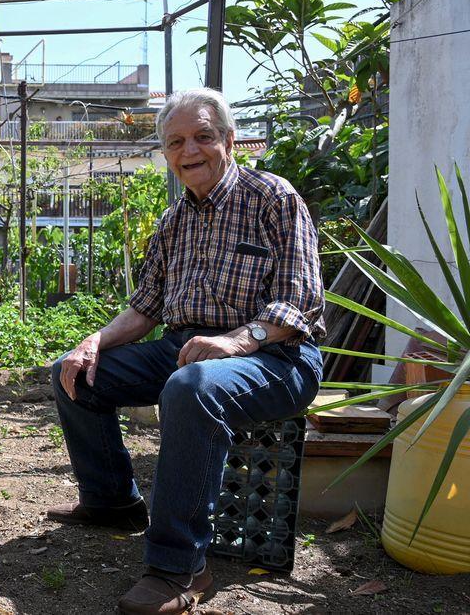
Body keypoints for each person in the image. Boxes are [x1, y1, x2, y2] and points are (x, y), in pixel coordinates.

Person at [47, 88, 324, 615]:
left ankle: (180, 566)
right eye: (175, 142)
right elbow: (144, 311)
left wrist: (238, 340)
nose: (189, 150)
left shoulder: (274, 198)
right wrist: (92, 342)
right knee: (74, 374)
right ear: (166, 154)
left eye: (202, 136)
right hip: (187, 346)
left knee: (191, 388)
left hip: (277, 355)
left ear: (229, 139)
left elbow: (301, 301)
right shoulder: (174, 221)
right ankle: (113, 503)